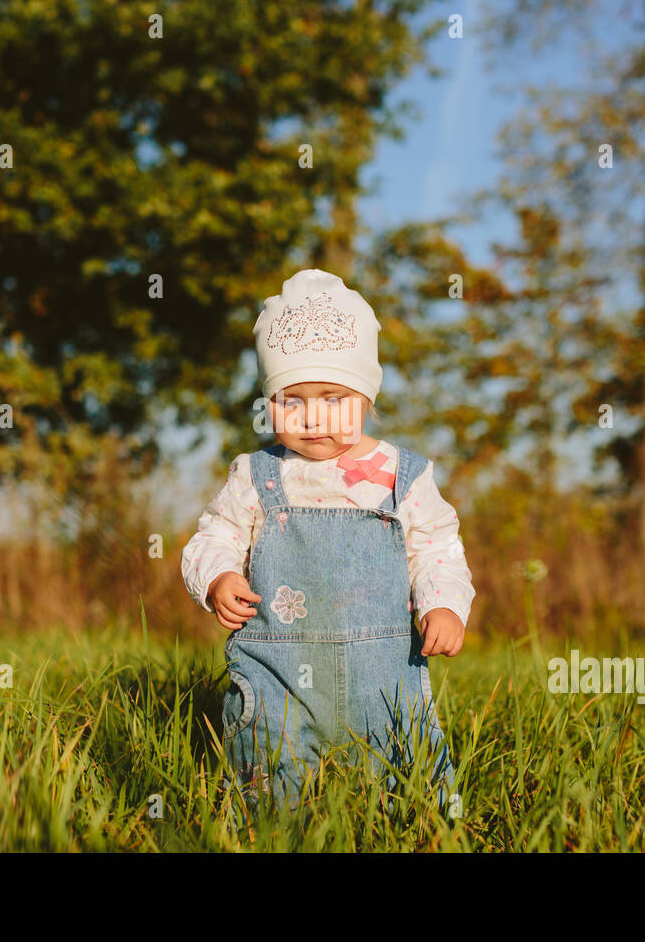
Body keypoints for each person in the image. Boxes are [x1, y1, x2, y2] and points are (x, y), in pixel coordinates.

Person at [180, 268, 475, 819]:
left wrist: (444, 603)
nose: (312, 417)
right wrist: (218, 575)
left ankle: (427, 828)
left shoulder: (401, 476)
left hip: (384, 676)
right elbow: (214, 535)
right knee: (264, 779)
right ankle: (267, 826)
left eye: (334, 398)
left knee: (412, 780)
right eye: (292, 400)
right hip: (278, 673)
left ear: (366, 395)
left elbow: (437, 549)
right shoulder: (256, 475)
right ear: (269, 401)